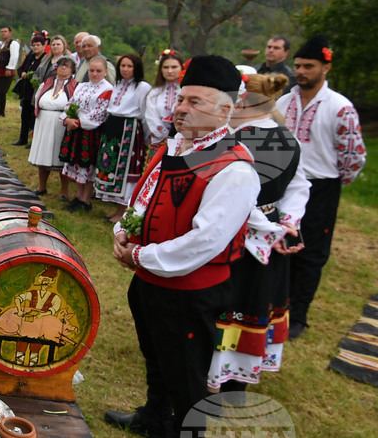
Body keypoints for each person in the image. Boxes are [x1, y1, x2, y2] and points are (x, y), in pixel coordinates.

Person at [106, 55, 259, 438]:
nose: (181, 109)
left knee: (188, 377)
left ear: (227, 109)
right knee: (156, 358)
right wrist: (124, 233)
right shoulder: (172, 148)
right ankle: (154, 416)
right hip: (149, 281)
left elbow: (204, 241)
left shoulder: (234, 167)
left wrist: (141, 256)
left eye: (195, 103)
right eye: (181, 100)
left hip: (191, 292)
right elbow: (142, 201)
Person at [207, 72, 309, 393]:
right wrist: (285, 224)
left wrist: (269, 228)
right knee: (254, 301)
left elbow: (233, 194)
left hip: (238, 232)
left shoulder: (234, 141)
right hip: (270, 232)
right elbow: (300, 185)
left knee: (232, 300)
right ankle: (236, 384)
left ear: (240, 101)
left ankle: (215, 376)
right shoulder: (287, 138)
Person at [275, 34, 366, 339]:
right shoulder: (283, 102)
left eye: (308, 66)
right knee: (280, 246)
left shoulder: (340, 107)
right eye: (298, 65)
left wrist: (335, 182)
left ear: (325, 67)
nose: (300, 71)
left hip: (321, 187)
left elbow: (354, 155)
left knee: (311, 253)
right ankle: (277, 307)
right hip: (285, 184)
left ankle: (298, 316)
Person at [94, 54, 151, 222]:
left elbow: (145, 112)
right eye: (123, 66)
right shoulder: (118, 84)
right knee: (110, 165)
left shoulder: (143, 87)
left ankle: (122, 210)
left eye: (129, 66)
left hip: (129, 129)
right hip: (113, 126)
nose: (125, 69)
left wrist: (146, 138)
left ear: (137, 68)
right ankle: (116, 208)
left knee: (125, 170)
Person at [58, 56, 113, 212]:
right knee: (75, 162)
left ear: (105, 72)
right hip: (75, 127)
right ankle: (78, 196)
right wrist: (67, 118)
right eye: (91, 70)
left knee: (87, 163)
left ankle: (86, 199)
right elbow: (71, 103)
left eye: (98, 71)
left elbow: (99, 113)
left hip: (91, 131)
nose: (94, 74)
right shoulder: (82, 86)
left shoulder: (107, 89)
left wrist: (78, 122)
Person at [29, 56, 77, 199]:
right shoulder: (48, 82)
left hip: (60, 122)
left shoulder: (75, 85)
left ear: (72, 70)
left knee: (60, 156)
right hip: (43, 120)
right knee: (43, 153)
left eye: (67, 65)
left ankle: (64, 191)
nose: (63, 67)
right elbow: (37, 96)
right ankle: (41, 186)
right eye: (61, 65)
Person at [12, 32, 50, 146]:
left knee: (35, 117)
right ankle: (22, 138)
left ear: (44, 46)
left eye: (38, 45)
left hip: (37, 91)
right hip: (26, 90)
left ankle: (34, 141)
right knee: (25, 115)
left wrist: (33, 76)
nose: (35, 47)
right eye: (33, 45)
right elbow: (20, 68)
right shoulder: (30, 56)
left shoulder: (45, 59)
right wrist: (23, 73)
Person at [144, 49, 185, 150]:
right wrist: (165, 136)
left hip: (182, 140)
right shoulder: (154, 93)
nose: (170, 71)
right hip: (160, 142)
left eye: (174, 67)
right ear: (160, 69)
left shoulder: (186, 91)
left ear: (181, 68)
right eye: (166, 67)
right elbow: (151, 117)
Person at [0, 26, 20, 117]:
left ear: (10, 33)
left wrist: (10, 68)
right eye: (1, 31)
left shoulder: (13, 43)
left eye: (5, 31)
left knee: (1, 91)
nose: (3, 33)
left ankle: (1, 112)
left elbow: (14, 56)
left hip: (5, 70)